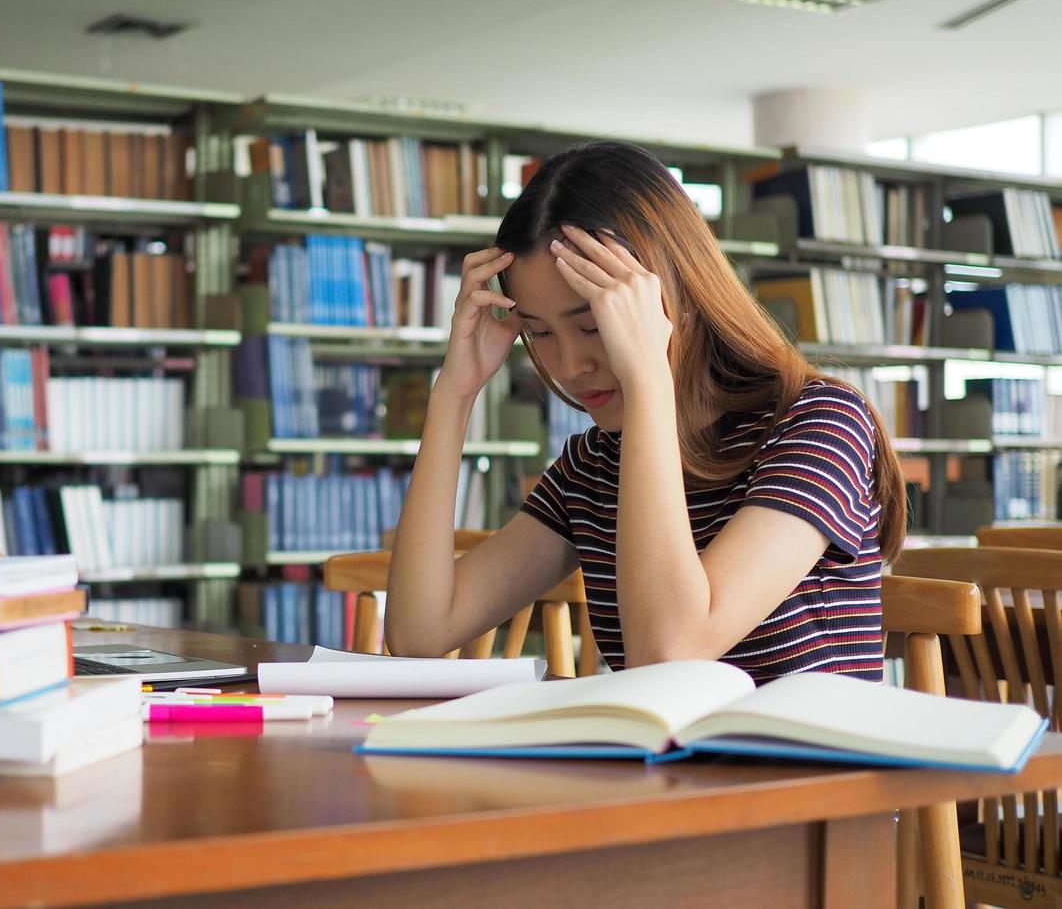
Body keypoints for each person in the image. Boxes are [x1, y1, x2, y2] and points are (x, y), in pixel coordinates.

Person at [383, 141, 905, 684]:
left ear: (669, 295)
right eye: (539, 332)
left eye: (591, 325)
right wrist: (454, 393)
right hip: (662, 766)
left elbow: (669, 651)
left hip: (801, 767)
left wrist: (648, 376)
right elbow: (421, 631)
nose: (568, 364)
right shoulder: (593, 465)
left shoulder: (819, 422)